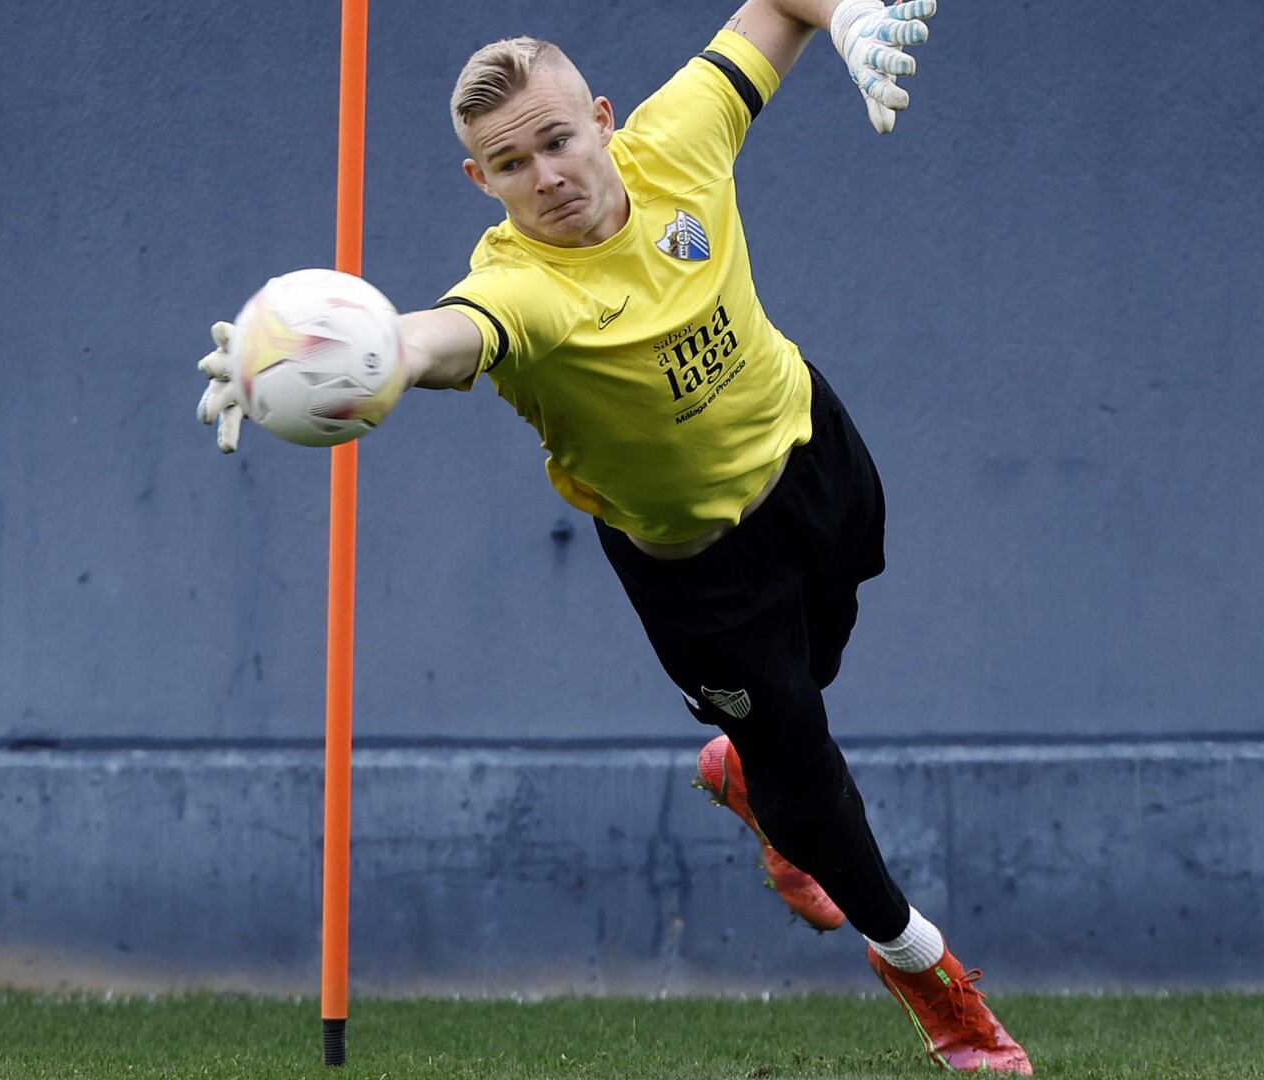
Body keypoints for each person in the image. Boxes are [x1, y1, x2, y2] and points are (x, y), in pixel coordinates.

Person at [197, 0, 1030, 1072]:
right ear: (481, 183)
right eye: (510, 164)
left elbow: (782, 6)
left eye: (557, 140)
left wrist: (853, 19)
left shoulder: (679, 137)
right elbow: (446, 338)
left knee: (812, 677)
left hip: (815, 454)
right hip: (702, 579)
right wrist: (361, 353)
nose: (544, 173)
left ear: (599, 119)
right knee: (808, 770)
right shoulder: (520, 288)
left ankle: (750, 777)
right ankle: (930, 978)